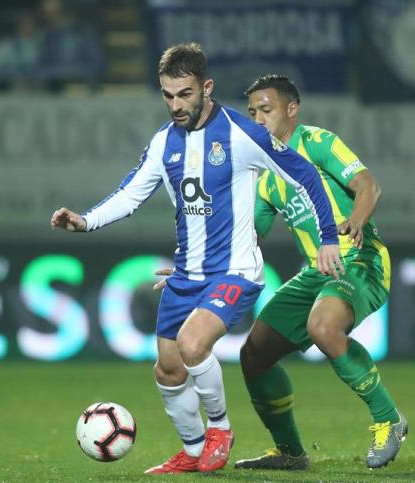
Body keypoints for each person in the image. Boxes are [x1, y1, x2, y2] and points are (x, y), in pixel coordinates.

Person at [49, 43, 342, 474]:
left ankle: (220, 429)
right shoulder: (163, 142)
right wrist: (85, 221)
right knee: (168, 370)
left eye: (184, 94)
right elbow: (130, 194)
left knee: (191, 345)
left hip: (236, 272)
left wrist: (329, 237)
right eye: (167, 95)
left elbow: (305, 175)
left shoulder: (241, 134)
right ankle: (191, 449)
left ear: (206, 88)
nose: (176, 105)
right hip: (187, 274)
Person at [232, 74, 407, 470]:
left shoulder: (317, 143)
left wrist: (356, 221)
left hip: (359, 260)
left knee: (323, 327)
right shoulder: (264, 175)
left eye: (266, 110)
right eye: (252, 112)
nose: (257, 119)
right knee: (254, 354)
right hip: (316, 272)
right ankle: (291, 453)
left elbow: (369, 186)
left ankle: (389, 419)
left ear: (291, 109)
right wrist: (199, 262)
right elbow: (250, 236)